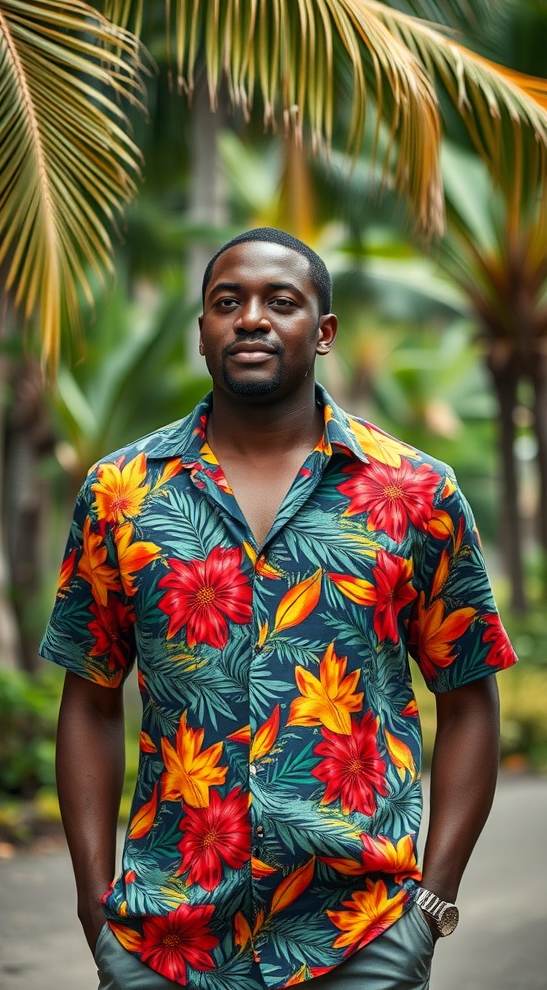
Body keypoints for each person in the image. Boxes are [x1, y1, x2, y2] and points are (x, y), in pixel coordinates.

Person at [41, 228, 517, 990]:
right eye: (227, 303)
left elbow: (468, 699)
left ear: (322, 332)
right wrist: (95, 914)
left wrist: (432, 903)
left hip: (360, 936)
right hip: (165, 938)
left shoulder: (415, 494)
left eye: (281, 302)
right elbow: (91, 699)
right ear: (202, 333)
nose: (252, 318)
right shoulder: (121, 493)